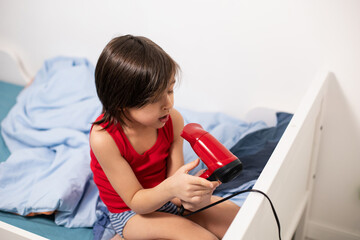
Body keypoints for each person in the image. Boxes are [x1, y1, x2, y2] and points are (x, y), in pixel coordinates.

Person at [90, 35, 239, 240]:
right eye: (155, 99)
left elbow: (174, 184)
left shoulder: (173, 120)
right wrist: (172, 189)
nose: (168, 103)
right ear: (121, 103)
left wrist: (192, 191)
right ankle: (123, 236)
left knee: (238, 219)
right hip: (131, 213)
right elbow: (135, 200)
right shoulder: (104, 139)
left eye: (170, 90)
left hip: (167, 199)